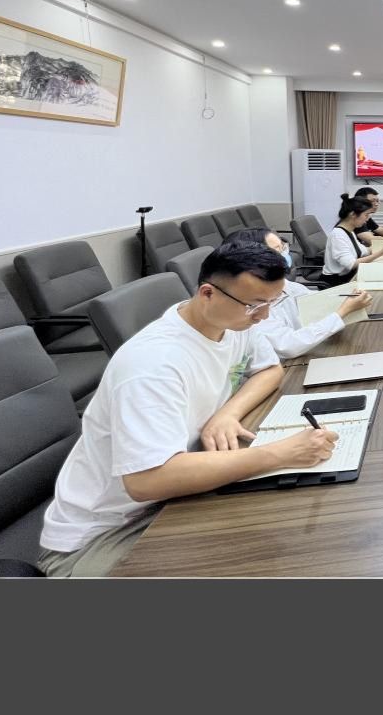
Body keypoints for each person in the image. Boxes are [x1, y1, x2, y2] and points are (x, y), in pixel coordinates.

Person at [37, 243, 340, 577]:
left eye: (271, 303)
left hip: (175, 495)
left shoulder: (232, 323)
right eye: (255, 305)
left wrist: (227, 413)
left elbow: (269, 370)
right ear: (207, 293)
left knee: (295, 532)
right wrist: (280, 453)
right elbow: (146, 480)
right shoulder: (152, 366)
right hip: (105, 535)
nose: (264, 316)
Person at [222, 227, 371, 358]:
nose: (284, 254)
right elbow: (288, 346)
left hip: (303, 354)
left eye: (283, 247)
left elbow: (316, 301)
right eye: (276, 251)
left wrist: (345, 300)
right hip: (287, 366)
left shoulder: (286, 285)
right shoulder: (248, 307)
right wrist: (342, 312)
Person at [324, 193, 383, 285]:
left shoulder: (349, 231)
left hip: (350, 276)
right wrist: (381, 252)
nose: (367, 219)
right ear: (353, 214)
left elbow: (363, 251)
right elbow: (351, 265)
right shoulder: (338, 235)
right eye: (366, 215)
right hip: (336, 281)